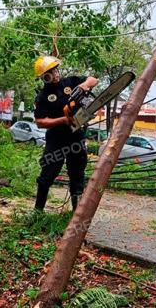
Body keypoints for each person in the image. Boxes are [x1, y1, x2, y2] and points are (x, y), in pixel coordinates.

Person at [32, 56, 98, 211]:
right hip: (56, 140)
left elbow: (93, 80)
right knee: (47, 175)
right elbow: (40, 122)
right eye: (50, 73)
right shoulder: (42, 97)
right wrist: (63, 120)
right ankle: (38, 210)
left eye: (55, 70)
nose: (55, 74)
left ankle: (76, 213)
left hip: (76, 136)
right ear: (44, 77)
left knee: (77, 174)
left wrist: (84, 86)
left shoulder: (70, 82)